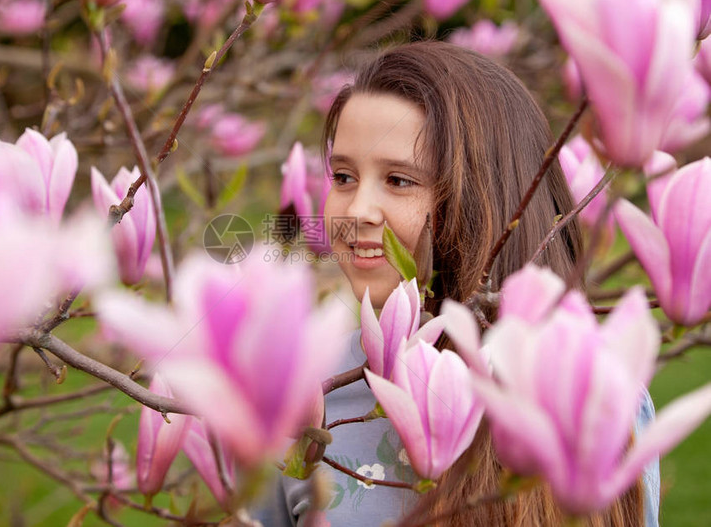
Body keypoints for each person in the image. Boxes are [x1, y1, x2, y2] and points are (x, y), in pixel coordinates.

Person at [252, 42, 659, 526]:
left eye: (399, 180)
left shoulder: (597, 392)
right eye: (343, 176)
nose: (356, 211)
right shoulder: (303, 397)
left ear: (482, 200)